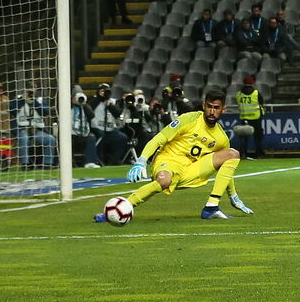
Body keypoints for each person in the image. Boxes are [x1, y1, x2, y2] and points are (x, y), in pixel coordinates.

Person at [93, 88, 253, 222]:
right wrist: (141, 161)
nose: (212, 111)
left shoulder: (221, 137)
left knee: (232, 154)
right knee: (163, 180)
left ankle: (211, 207)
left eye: (216, 108)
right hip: (167, 161)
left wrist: (234, 196)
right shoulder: (188, 119)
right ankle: (122, 207)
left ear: (223, 109)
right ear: (204, 106)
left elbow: (226, 170)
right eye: (209, 106)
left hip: (190, 169)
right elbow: (159, 138)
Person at [12, 86, 56, 169]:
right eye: (29, 88)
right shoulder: (18, 98)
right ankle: (25, 164)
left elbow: (45, 112)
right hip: (22, 129)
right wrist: (23, 100)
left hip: (36, 130)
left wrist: (34, 102)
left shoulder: (40, 100)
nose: (31, 90)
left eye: (33, 88)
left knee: (50, 139)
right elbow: (12, 110)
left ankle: (47, 164)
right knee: (24, 138)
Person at [90, 83, 129, 165]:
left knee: (122, 138)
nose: (104, 93)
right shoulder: (94, 101)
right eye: (102, 91)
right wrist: (100, 98)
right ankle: (99, 160)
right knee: (100, 137)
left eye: (106, 91)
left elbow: (117, 114)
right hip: (97, 129)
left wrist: (109, 105)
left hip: (111, 130)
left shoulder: (112, 102)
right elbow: (90, 109)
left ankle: (114, 160)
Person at [235, 76, 265, 159]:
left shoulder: (239, 94)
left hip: (244, 118)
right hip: (256, 117)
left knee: (244, 138)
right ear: (252, 83)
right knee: (257, 137)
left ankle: (243, 154)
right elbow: (261, 102)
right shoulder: (256, 93)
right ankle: (259, 154)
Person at [71, 87, 99, 168]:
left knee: (91, 138)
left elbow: (91, 115)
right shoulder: (68, 106)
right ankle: (71, 162)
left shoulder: (85, 107)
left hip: (83, 133)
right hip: (71, 133)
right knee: (66, 140)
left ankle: (90, 162)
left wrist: (84, 105)